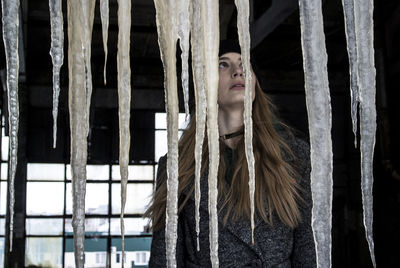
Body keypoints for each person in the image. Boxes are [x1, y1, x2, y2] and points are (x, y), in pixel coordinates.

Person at [145, 40, 316, 267]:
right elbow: (165, 260)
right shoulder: (176, 166)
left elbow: (308, 249)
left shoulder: (294, 156)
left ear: (255, 83)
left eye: (245, 64)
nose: (238, 71)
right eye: (223, 65)